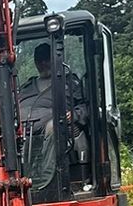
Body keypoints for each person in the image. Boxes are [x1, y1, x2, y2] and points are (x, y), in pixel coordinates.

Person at [16, 42, 87, 196]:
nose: (42, 64)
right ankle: (15, 179)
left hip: (57, 127)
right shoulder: (26, 88)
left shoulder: (70, 83)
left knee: (53, 127)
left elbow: (86, 107)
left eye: (46, 59)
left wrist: (75, 114)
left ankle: (44, 179)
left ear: (55, 59)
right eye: (39, 60)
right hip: (25, 128)